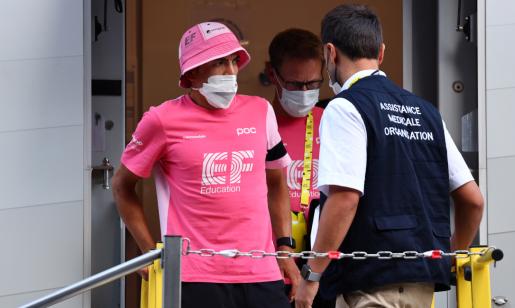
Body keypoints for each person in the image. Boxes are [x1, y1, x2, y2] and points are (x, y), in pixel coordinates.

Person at [295, 4, 484, 308]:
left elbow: (344, 199)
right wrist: (446, 258)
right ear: (381, 53)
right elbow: (473, 200)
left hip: (369, 284)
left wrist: (312, 276)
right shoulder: (426, 112)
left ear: (330, 53)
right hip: (421, 286)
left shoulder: (345, 107)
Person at [112, 21, 300, 308]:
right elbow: (122, 187)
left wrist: (285, 246)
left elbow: (276, 183)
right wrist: (147, 250)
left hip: (260, 271)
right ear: (193, 71)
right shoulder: (161, 120)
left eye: (233, 61)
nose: (231, 71)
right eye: (219, 62)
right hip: (196, 277)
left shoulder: (261, 112)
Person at [265, 28, 334, 308]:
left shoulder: (334, 121)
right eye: (295, 85)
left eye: (314, 84)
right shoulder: (253, 122)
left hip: (322, 272)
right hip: (266, 270)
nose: (305, 93)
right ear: (273, 75)